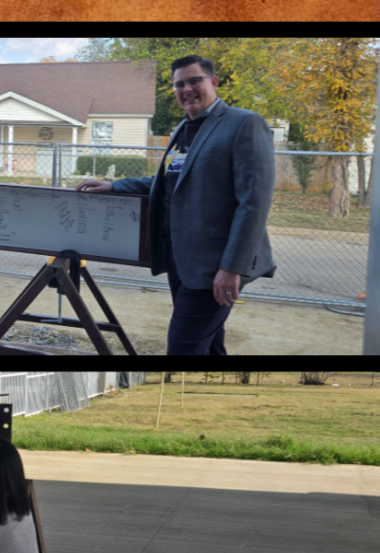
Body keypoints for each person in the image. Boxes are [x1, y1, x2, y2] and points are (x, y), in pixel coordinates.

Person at [76, 55, 276, 355]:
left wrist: (231, 268)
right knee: (207, 346)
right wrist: (115, 185)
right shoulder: (183, 128)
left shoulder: (244, 123)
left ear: (213, 82)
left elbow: (254, 203)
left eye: (194, 81)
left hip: (214, 267)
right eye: (179, 84)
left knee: (183, 348)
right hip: (179, 261)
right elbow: (168, 182)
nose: (186, 90)